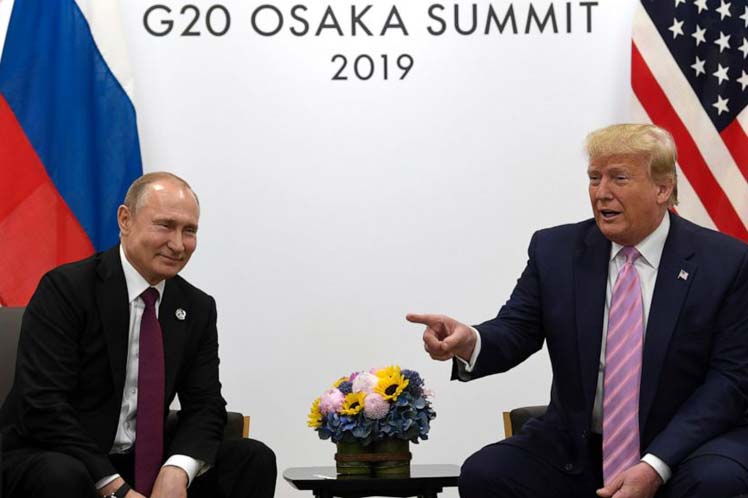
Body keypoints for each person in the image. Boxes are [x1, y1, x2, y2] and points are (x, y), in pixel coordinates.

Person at [407, 124, 748, 498]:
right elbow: (517, 329)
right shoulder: (556, 250)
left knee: (714, 482)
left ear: (662, 189)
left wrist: (655, 464)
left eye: (619, 178)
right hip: (579, 446)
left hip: (686, 447)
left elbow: (731, 380)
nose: (602, 193)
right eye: (594, 178)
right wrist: (470, 341)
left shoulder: (725, 262)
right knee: (485, 474)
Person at [0, 172, 276, 498]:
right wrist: (115, 489)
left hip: (142, 462)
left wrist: (177, 469)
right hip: (61, 455)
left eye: (189, 231)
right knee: (62, 475)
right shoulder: (66, 289)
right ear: (125, 220)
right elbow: (43, 405)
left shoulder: (197, 308)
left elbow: (206, 404)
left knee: (252, 458)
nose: (178, 244)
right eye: (165, 225)